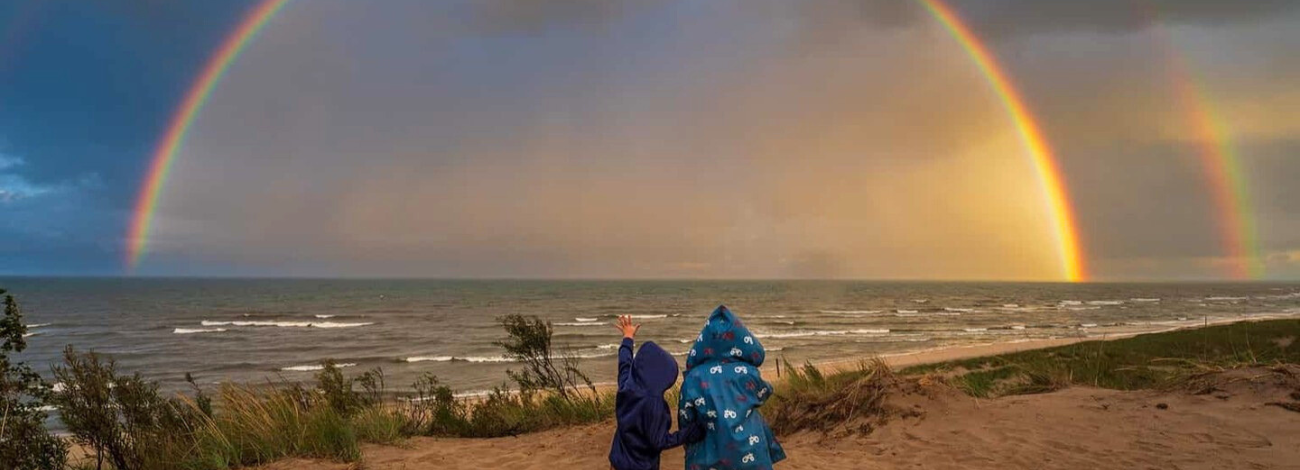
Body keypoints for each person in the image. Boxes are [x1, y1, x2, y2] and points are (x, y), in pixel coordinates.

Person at [679, 305, 786, 470]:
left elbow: (685, 416)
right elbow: (762, 393)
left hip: (708, 450)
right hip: (749, 450)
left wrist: (688, 440)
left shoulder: (694, 378)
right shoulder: (748, 373)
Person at [609, 315, 705, 470]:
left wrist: (628, 337)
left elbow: (624, 363)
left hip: (618, 463)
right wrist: (690, 432)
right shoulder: (654, 406)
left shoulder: (626, 386)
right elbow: (660, 441)